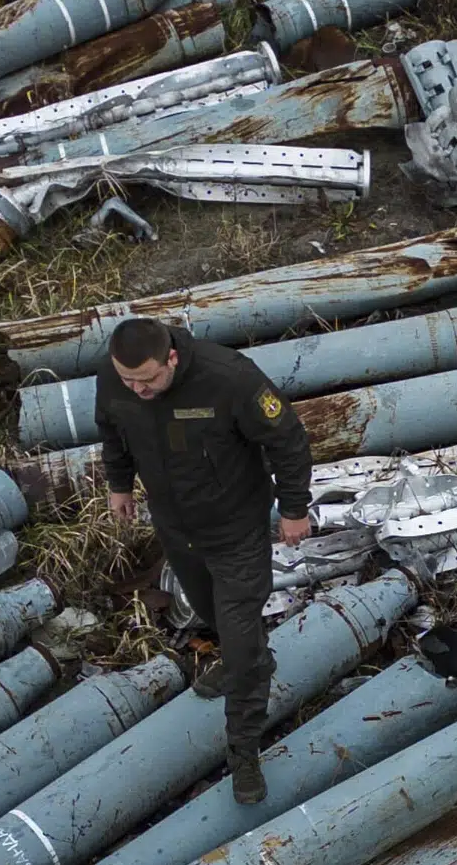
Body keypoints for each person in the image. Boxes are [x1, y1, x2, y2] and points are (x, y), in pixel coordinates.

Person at [94, 315, 312, 804]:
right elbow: (112, 429)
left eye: (148, 380)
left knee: (237, 642)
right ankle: (252, 658)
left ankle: (244, 753)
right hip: (177, 531)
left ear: (171, 357)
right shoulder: (116, 378)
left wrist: (294, 508)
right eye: (130, 381)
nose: (139, 390)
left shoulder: (229, 377)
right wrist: (119, 484)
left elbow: (288, 440)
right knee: (212, 614)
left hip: (236, 531)